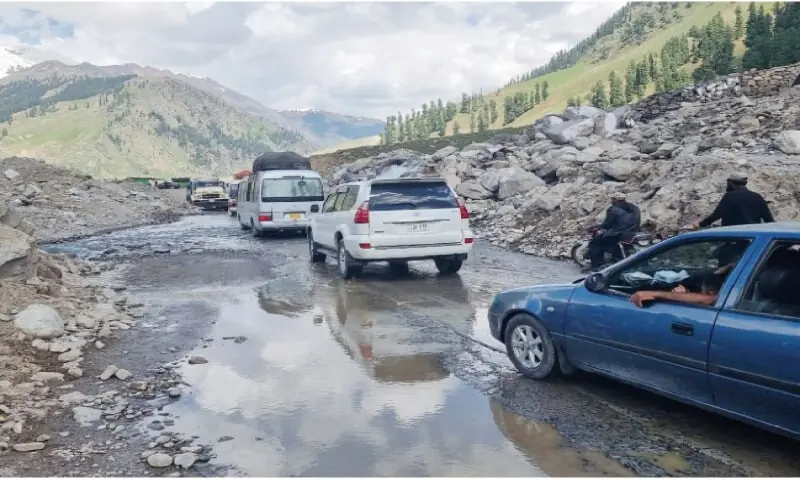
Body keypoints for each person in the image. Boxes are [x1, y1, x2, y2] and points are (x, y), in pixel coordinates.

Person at [691, 172, 774, 230]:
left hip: (734, 237)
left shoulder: (729, 196)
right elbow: (769, 220)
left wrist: (700, 224)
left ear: (730, 183)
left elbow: (717, 215)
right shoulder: (757, 197)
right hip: (752, 238)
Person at [586, 192, 641, 271]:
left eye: (612, 199)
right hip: (633, 232)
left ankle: (596, 266)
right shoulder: (634, 207)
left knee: (595, 243)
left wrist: (595, 226)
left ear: (616, 200)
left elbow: (607, 224)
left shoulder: (613, 209)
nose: (611, 200)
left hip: (618, 233)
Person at [630, 271, 727, 308]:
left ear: (710, 292)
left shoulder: (716, 301)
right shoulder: (732, 292)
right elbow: (716, 273)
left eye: (702, 291)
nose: (700, 293)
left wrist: (682, 296)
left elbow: (707, 299)